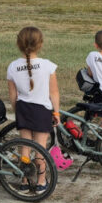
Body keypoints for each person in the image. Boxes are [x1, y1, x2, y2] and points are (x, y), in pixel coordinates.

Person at [6, 26, 60, 191]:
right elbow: (54, 92)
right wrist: (56, 112)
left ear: (18, 44)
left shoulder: (12, 66)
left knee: (25, 146)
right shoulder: (48, 65)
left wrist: (18, 111)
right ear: (40, 44)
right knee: (40, 148)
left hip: (23, 108)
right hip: (41, 109)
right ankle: (41, 181)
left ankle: (24, 181)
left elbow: (13, 96)